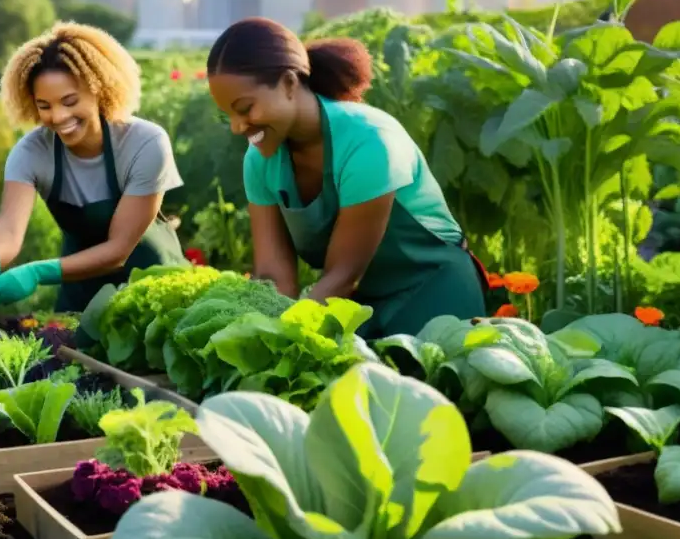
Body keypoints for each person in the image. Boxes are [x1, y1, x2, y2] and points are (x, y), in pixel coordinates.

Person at [206, 17, 489, 339]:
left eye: (245, 108)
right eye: (227, 115)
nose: (237, 127)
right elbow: (274, 277)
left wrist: (286, 336)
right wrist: (258, 334)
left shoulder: (368, 141)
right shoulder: (259, 161)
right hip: (357, 307)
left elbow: (343, 275)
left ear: (288, 84)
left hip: (434, 300)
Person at [0, 22, 187, 312]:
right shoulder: (31, 152)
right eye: (44, 105)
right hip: (80, 292)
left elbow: (118, 249)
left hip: (150, 288)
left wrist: (37, 272)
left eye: (70, 101)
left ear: (99, 89)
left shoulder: (144, 143)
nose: (58, 116)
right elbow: (8, 227)